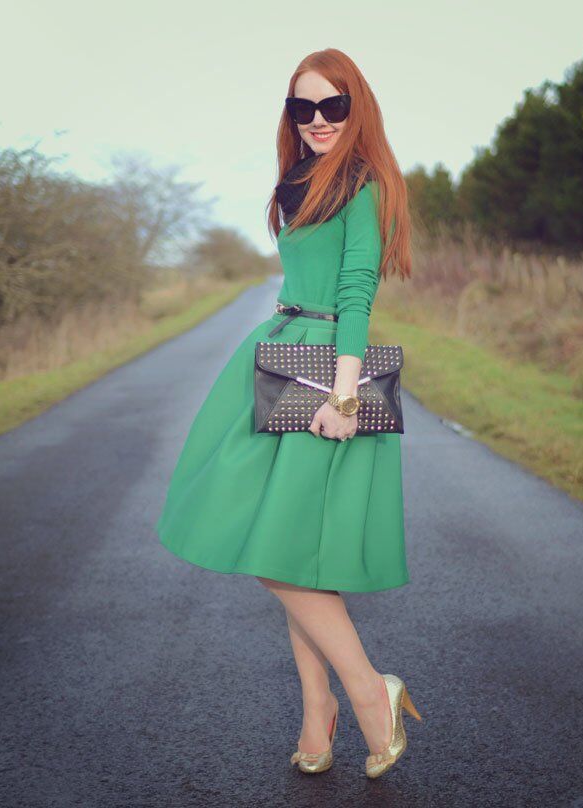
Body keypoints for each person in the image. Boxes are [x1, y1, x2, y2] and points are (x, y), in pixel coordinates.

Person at [155, 47, 421, 779]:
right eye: (301, 106)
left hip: (324, 366)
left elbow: (357, 289)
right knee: (290, 545)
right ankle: (318, 709)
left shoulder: (362, 181)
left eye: (330, 105)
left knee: (280, 550)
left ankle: (369, 694)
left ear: (354, 106)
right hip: (281, 349)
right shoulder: (299, 177)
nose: (315, 120)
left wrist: (343, 394)